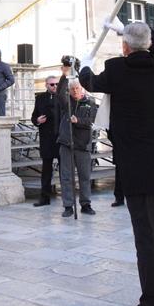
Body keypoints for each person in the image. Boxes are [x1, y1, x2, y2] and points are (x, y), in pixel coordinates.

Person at [79, 21, 154, 306]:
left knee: (147, 237)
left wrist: (84, 65)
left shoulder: (117, 69)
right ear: (149, 43)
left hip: (139, 167)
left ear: (125, 47)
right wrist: (127, 28)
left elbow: (89, 81)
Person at [55, 66, 97, 217]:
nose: (75, 92)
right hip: (66, 143)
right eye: (72, 89)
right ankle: (68, 206)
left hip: (82, 144)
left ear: (81, 88)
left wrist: (78, 120)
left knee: (84, 176)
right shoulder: (67, 101)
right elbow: (60, 94)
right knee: (66, 176)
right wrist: (64, 76)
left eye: (77, 88)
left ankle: (86, 204)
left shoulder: (90, 102)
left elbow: (91, 120)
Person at [31, 75, 60, 206]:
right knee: (46, 170)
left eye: (56, 84)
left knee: (64, 170)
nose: (55, 86)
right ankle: (45, 198)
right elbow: (34, 116)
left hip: (60, 139)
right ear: (46, 85)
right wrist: (37, 120)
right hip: (47, 139)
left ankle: (68, 200)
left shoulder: (63, 97)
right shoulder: (40, 98)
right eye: (52, 84)